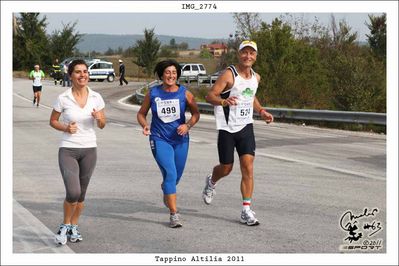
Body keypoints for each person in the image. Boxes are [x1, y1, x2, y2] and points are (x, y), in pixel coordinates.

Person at [202, 40, 274, 226]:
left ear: (255, 57)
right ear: (239, 55)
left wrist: (262, 111)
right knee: (226, 168)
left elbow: (251, 97)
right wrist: (223, 102)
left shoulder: (256, 77)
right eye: (244, 53)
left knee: (248, 167)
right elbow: (210, 95)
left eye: (251, 53)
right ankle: (212, 181)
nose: (248, 56)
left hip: (245, 127)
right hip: (227, 128)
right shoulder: (229, 74)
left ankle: (246, 210)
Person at [137, 59, 200, 228]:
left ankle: (167, 187)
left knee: (175, 177)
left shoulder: (185, 93)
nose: (171, 75)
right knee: (171, 174)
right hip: (159, 138)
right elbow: (141, 114)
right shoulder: (153, 93)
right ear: (161, 75)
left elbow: (196, 114)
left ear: (177, 75)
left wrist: (187, 126)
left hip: (180, 140)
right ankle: (174, 214)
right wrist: (145, 125)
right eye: (167, 72)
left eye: (174, 73)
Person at [49, 59, 106, 245]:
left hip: (89, 149)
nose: (83, 75)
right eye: (78, 72)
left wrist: (99, 118)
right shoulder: (63, 98)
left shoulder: (96, 97)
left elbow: (103, 124)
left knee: (81, 194)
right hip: (68, 149)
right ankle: (64, 225)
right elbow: (53, 121)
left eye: (85, 72)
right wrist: (66, 128)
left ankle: (74, 225)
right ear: (70, 75)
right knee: (73, 192)